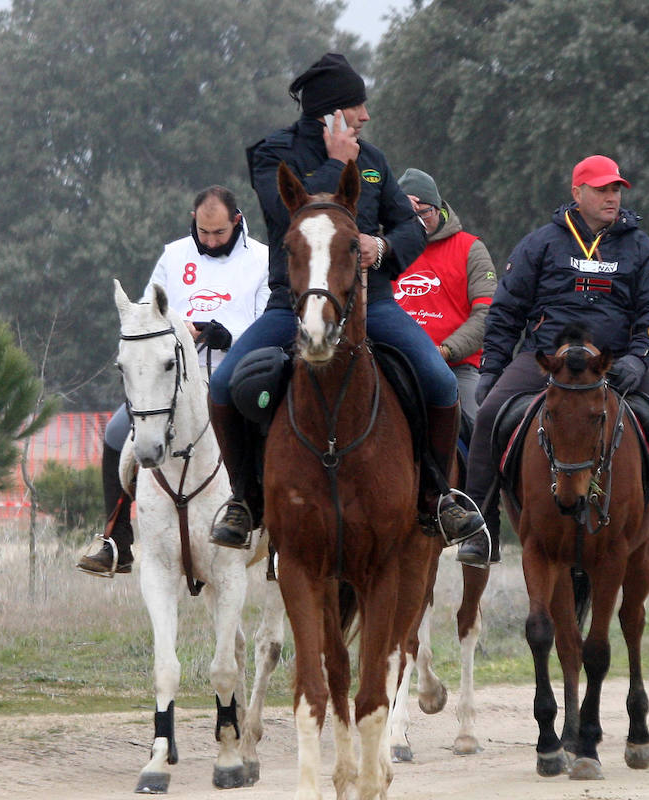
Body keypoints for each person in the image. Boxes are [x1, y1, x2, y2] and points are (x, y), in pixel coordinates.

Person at [208, 53, 485, 550]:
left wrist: (384, 248)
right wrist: (336, 163)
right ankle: (244, 500)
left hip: (371, 302)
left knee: (441, 383)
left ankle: (438, 496)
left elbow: (408, 225)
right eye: (358, 105)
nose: (365, 116)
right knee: (226, 384)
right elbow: (283, 213)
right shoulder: (273, 155)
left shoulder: (374, 161)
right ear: (332, 112)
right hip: (289, 305)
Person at [457, 154, 649, 568]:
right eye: (602, 189)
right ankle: (482, 526)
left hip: (616, 363)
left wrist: (639, 359)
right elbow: (505, 311)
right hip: (546, 361)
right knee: (490, 414)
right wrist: (492, 369)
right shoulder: (539, 243)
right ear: (578, 192)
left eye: (616, 189)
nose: (612, 197)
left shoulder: (641, 247)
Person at [77, 186, 268, 576]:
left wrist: (225, 334)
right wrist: (175, 329)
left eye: (219, 233)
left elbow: (270, 319)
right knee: (116, 431)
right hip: (175, 377)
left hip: (237, 373)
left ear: (236, 221)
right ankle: (117, 539)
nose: (210, 241)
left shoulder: (263, 259)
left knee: (272, 428)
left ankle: (278, 534)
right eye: (203, 232)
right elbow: (147, 313)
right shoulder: (174, 255)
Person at [393, 167, 497, 427]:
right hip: (393, 364)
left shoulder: (471, 248)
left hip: (455, 366)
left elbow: (487, 313)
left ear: (439, 209)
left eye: (424, 212)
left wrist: (447, 350)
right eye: (409, 213)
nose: (417, 220)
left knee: (478, 430)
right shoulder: (386, 249)